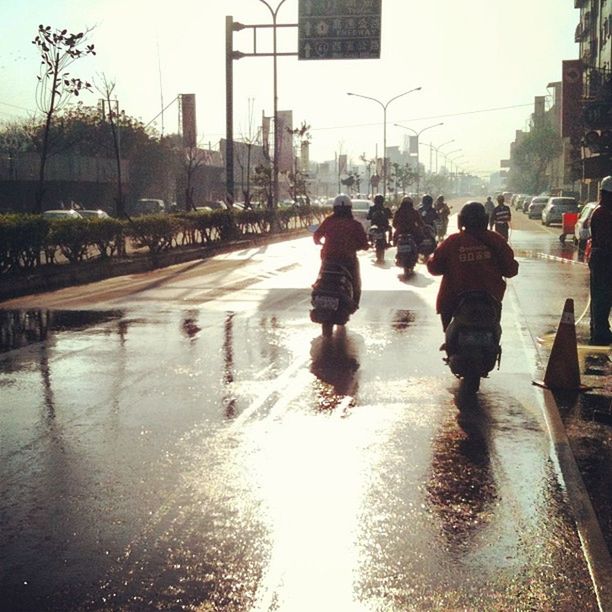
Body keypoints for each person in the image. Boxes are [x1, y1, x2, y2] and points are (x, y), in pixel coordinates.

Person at [427, 201, 519, 330]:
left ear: (462, 221)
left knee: (446, 315)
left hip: (454, 298)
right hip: (490, 298)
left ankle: (449, 340)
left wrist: (430, 259)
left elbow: (434, 268)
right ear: (485, 220)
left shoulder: (452, 241)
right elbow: (511, 270)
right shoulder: (496, 240)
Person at [313, 193, 369, 308]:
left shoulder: (329, 221)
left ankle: (317, 288)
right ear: (349, 209)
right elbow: (364, 243)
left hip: (328, 258)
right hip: (348, 259)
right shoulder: (355, 224)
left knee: (321, 276)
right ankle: (354, 304)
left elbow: (317, 235)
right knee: (356, 283)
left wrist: (318, 241)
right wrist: (364, 246)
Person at [589, 175, 612, 345]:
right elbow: (605, 239)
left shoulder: (603, 211)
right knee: (601, 296)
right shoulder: (602, 212)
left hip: (603, 257)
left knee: (603, 296)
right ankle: (600, 331)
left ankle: (600, 328)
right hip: (603, 257)